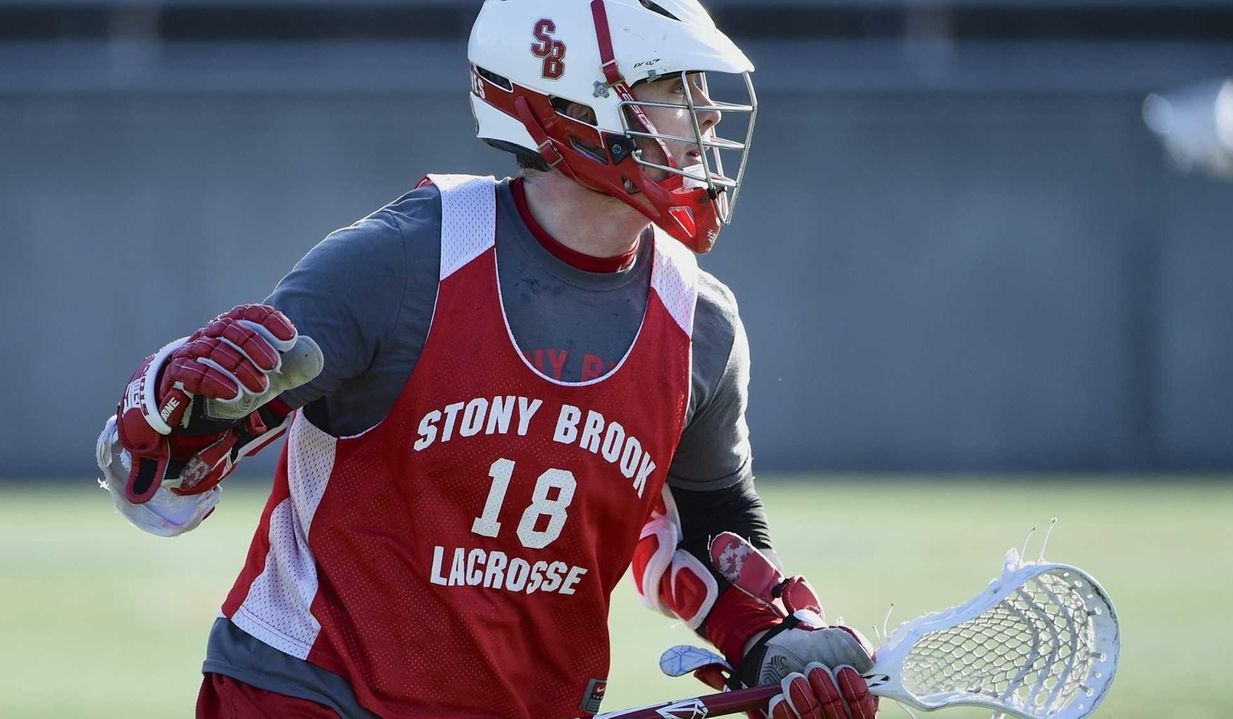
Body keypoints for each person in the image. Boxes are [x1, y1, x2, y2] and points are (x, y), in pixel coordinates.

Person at [95, 2, 878, 718]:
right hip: (311, 694)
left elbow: (705, 533)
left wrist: (774, 641)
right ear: (574, 105)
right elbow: (161, 483)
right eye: (672, 82)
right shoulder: (403, 261)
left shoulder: (699, 323)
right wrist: (173, 407)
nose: (704, 111)